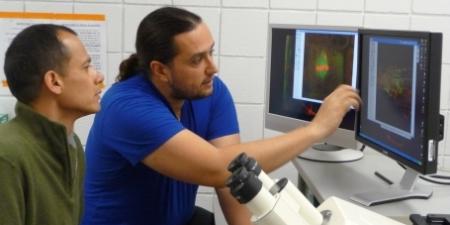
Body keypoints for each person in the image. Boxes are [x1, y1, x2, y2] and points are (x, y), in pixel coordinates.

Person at [82, 6, 361, 225]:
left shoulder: (210, 91)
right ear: (160, 70)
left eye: (210, 53)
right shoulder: (126, 107)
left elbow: (234, 177)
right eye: (196, 60)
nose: (212, 68)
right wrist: (317, 129)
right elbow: (217, 168)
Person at [0, 24, 104, 225]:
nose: (98, 77)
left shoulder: (71, 144)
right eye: (86, 67)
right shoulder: (7, 155)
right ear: (54, 82)